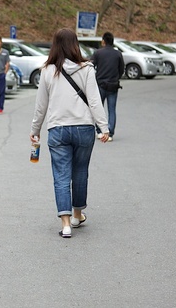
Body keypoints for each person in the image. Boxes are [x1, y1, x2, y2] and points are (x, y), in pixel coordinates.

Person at [30, 28, 109, 239]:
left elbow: (41, 106)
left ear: (54, 45)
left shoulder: (47, 71)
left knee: (61, 175)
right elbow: (94, 100)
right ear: (76, 44)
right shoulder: (87, 69)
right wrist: (104, 127)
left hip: (57, 129)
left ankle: (65, 224)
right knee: (80, 171)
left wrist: (35, 130)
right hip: (84, 127)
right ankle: (77, 215)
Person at [90, 32, 124, 142]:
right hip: (113, 85)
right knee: (112, 109)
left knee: (98, 108)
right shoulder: (118, 53)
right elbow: (121, 70)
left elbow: (91, 66)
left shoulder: (98, 53)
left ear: (103, 41)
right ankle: (110, 133)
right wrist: (116, 77)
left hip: (100, 85)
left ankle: (100, 131)